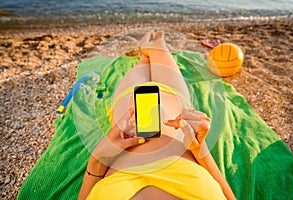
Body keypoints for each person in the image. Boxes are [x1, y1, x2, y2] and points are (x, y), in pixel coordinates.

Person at [78, 30, 236, 200]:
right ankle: (153, 48)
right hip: (174, 123)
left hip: (130, 125)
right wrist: (200, 151)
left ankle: (147, 53)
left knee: (142, 71)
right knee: (160, 72)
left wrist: (97, 159)